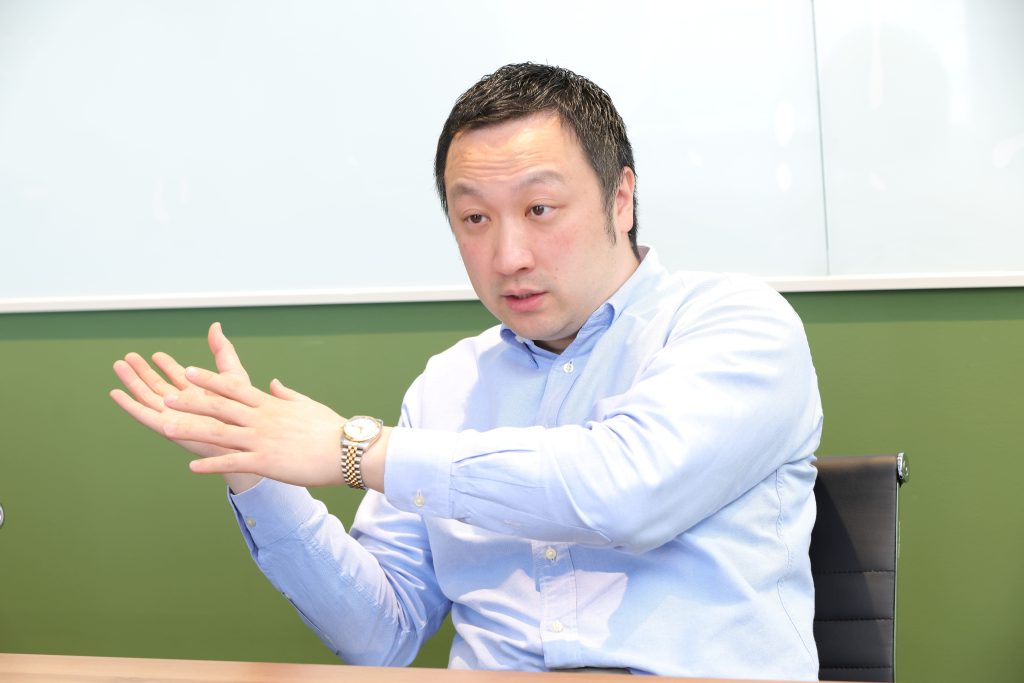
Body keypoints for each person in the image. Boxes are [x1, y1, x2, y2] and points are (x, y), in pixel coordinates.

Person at [111, 63, 823, 679]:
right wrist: (253, 465)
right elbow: (380, 633)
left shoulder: (736, 324)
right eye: (475, 219)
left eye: (540, 208)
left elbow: (624, 489)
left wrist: (356, 450)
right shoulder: (448, 384)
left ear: (621, 197)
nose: (508, 256)